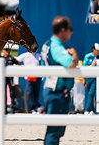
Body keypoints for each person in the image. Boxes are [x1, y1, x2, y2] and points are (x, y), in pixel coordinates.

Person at [41, 16, 78, 145]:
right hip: (57, 93)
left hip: (51, 89)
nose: (71, 32)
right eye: (70, 29)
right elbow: (71, 65)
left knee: (53, 131)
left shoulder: (47, 44)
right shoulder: (56, 47)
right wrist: (74, 56)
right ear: (63, 30)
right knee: (54, 132)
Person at [0, 48, 21, 113]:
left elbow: (18, 64)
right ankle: (4, 110)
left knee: (12, 93)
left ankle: (13, 108)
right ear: (3, 51)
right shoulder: (0, 58)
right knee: (3, 93)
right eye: (5, 50)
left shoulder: (11, 58)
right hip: (3, 78)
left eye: (7, 51)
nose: (6, 52)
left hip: (10, 78)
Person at [82, 43, 99, 115]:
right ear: (93, 49)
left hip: (95, 78)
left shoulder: (98, 58)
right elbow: (84, 67)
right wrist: (83, 79)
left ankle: (86, 110)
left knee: (91, 93)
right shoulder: (87, 56)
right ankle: (92, 110)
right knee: (89, 94)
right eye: (97, 50)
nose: (98, 52)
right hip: (87, 77)